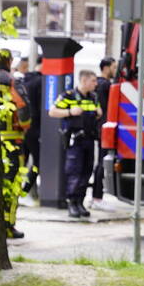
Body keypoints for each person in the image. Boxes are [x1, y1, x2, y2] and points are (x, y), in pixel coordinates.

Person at [49, 70, 102, 218]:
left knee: (87, 171)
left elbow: (97, 112)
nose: (96, 84)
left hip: (89, 140)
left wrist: (99, 112)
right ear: (84, 81)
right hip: (76, 140)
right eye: (93, 81)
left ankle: (80, 202)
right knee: (74, 172)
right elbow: (52, 112)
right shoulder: (69, 95)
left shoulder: (93, 97)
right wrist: (70, 112)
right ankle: (72, 203)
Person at [0, 49, 31, 238]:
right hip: (10, 140)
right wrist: (25, 126)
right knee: (10, 183)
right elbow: (23, 109)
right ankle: (7, 225)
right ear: (9, 61)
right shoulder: (12, 81)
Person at [89, 57, 117, 211]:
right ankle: (97, 198)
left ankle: (96, 197)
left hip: (99, 128)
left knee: (99, 162)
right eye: (113, 67)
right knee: (101, 163)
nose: (115, 70)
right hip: (104, 129)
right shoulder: (105, 85)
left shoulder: (97, 85)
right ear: (106, 68)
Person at [21, 56, 42, 198]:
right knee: (38, 163)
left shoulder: (23, 79)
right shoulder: (41, 81)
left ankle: (17, 192)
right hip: (35, 129)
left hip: (22, 128)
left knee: (21, 163)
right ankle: (25, 191)